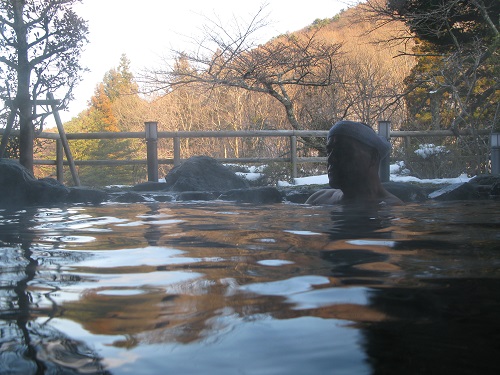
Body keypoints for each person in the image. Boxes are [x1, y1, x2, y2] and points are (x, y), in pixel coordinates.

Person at [306, 120, 403, 206]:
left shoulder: (391, 209)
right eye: (329, 151)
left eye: (343, 151)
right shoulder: (317, 199)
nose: (331, 159)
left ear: (373, 157)